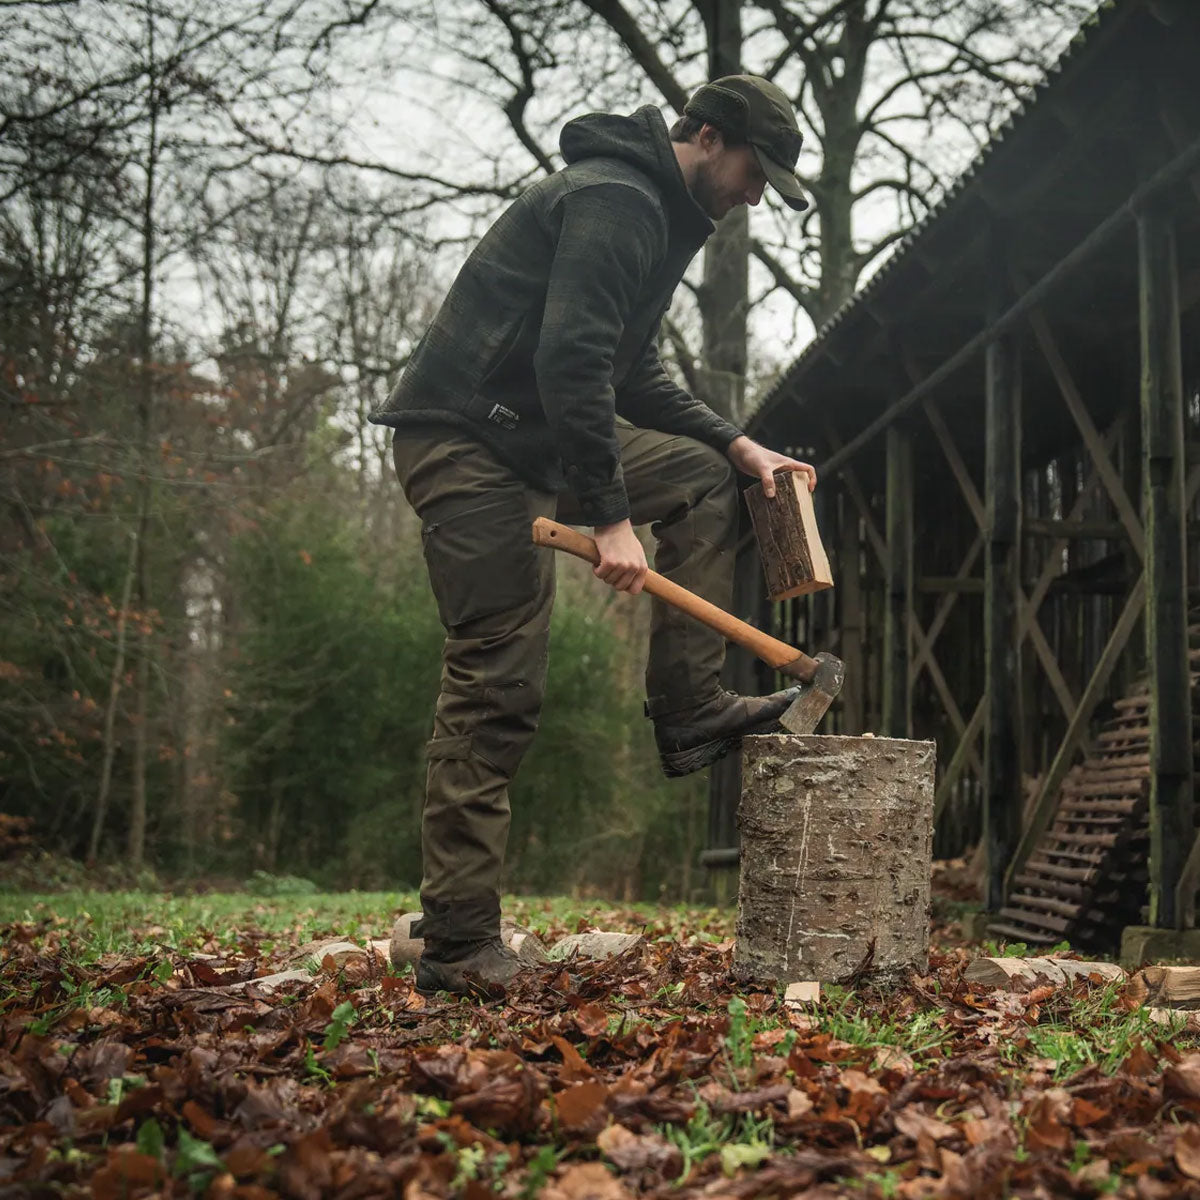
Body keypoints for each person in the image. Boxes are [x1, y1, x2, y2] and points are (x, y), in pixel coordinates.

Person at [370, 74, 817, 996]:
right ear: (706, 136)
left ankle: (689, 708)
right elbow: (571, 361)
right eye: (753, 172)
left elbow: (629, 370)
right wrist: (613, 521)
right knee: (497, 679)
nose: (753, 196)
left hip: (529, 440)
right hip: (463, 442)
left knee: (701, 476)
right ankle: (457, 941)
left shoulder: (658, 213)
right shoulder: (616, 199)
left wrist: (736, 443)